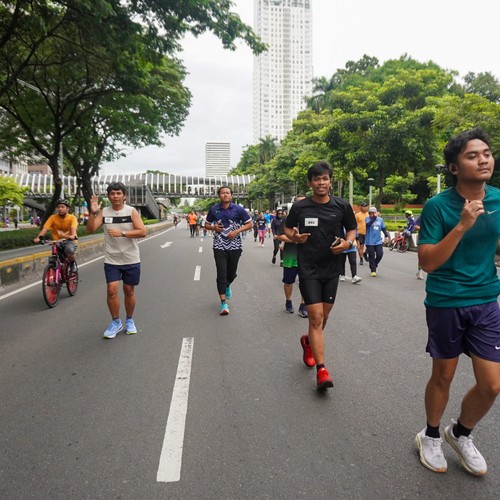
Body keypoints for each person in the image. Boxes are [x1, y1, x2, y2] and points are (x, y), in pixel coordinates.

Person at [414, 128, 500, 477]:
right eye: (472, 155)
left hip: (486, 299)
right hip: (446, 300)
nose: (483, 160)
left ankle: (460, 432)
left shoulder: (498, 200)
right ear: (453, 167)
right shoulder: (438, 206)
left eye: (486, 153)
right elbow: (428, 262)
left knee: (492, 384)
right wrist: (463, 225)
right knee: (444, 374)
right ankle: (431, 435)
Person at [284, 161, 357, 390]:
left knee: (323, 318)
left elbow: (352, 229)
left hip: (332, 268)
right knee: (315, 318)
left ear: (330, 181)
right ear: (310, 183)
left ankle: (308, 342)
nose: (321, 183)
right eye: (316, 179)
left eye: (325, 178)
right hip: (308, 268)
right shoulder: (300, 207)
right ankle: (322, 370)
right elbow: (287, 228)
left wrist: (347, 243)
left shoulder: (342, 206)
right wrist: (295, 238)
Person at [86, 182, 147, 339]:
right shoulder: (105, 212)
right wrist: (93, 213)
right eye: (112, 193)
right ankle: (116, 322)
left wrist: (123, 233)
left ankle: (130, 320)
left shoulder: (131, 211)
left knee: (128, 290)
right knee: (111, 290)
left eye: (119, 193)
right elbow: (90, 229)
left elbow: (142, 232)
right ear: (108, 196)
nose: (115, 196)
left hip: (131, 258)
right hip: (112, 259)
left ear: (124, 195)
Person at [204, 186, 253, 315]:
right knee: (221, 273)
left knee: (231, 274)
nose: (225, 195)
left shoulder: (238, 209)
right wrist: (214, 228)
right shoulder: (214, 209)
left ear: (231, 195)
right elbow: (206, 225)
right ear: (219, 195)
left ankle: (227, 285)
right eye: (222, 193)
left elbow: (250, 224)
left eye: (227, 193)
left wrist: (237, 231)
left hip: (235, 246)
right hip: (219, 245)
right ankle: (223, 303)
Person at [276, 195, 308, 317]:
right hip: (290, 256)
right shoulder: (287, 219)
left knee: (306, 281)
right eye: (299, 202)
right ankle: (288, 301)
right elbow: (280, 235)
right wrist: (295, 239)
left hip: (307, 256)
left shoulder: (312, 218)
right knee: (289, 281)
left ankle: (303, 305)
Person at [34, 199, 78, 269]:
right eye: (58, 207)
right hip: (57, 241)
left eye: (62, 207)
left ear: (67, 208)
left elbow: (73, 228)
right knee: (55, 255)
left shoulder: (72, 218)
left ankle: (73, 264)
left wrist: (73, 236)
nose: (60, 209)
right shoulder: (52, 218)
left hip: (70, 241)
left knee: (69, 250)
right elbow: (45, 229)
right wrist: (38, 238)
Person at [365, 207, 390, 277]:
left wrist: (386, 236)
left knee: (380, 254)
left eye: (373, 213)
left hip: (378, 241)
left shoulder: (380, 220)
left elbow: (383, 228)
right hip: (369, 241)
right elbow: (368, 225)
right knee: (371, 255)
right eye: (371, 213)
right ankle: (373, 270)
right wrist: (374, 217)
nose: (372, 214)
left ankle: (374, 264)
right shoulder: (367, 219)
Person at [414, 214, 425, 280]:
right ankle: (419, 272)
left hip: (435, 239)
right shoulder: (423, 215)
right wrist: (425, 229)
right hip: (423, 238)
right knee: (422, 257)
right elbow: (415, 226)